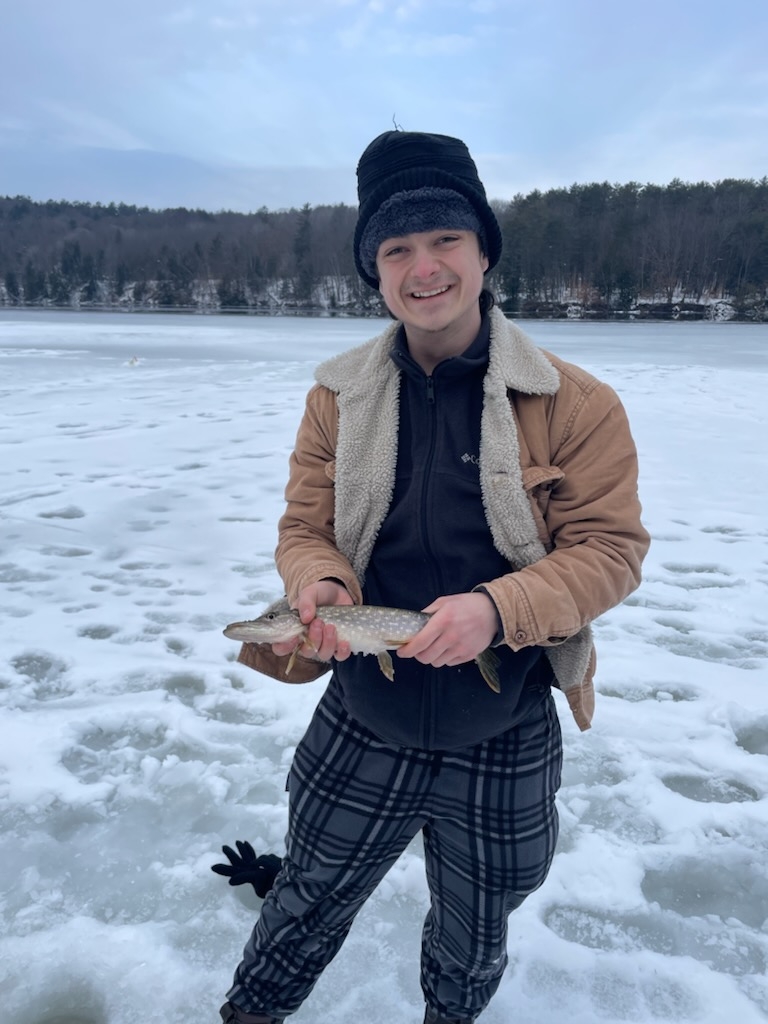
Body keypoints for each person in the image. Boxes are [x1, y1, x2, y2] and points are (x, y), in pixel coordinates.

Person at [218, 130, 650, 1024]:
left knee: (474, 927)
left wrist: (499, 611)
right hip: (363, 715)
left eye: (445, 239)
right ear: (374, 270)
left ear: (484, 250)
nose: (424, 268)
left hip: (504, 720)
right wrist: (322, 586)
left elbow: (611, 549)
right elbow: (305, 527)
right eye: (396, 248)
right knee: (305, 897)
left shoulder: (578, 403)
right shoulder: (337, 396)